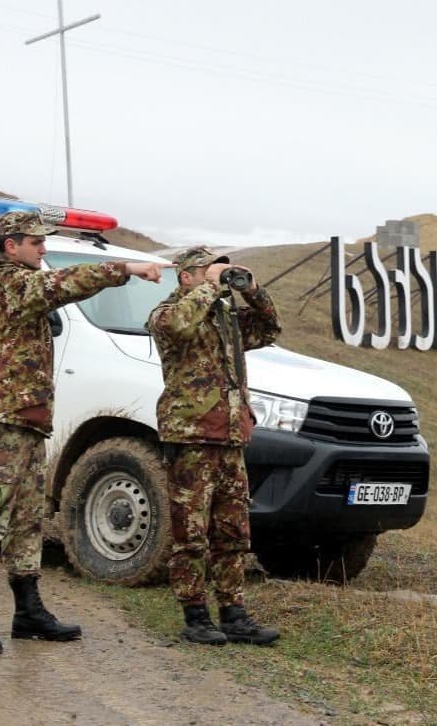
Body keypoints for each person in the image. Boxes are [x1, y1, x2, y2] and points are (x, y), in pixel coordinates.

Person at [0, 209, 165, 654]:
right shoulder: (2, 283)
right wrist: (123, 268)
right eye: (37, 243)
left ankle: (28, 611)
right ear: (11, 246)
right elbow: (63, 284)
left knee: (28, 518)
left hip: (25, 419)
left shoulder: (16, 282)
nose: (44, 250)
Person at [147, 246, 282, 646]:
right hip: (190, 437)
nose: (218, 277)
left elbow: (269, 328)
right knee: (191, 534)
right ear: (186, 277)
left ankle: (234, 612)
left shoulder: (225, 319)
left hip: (229, 436)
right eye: (207, 271)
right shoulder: (166, 314)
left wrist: (252, 289)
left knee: (233, 532)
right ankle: (195, 615)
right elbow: (182, 326)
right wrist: (210, 286)